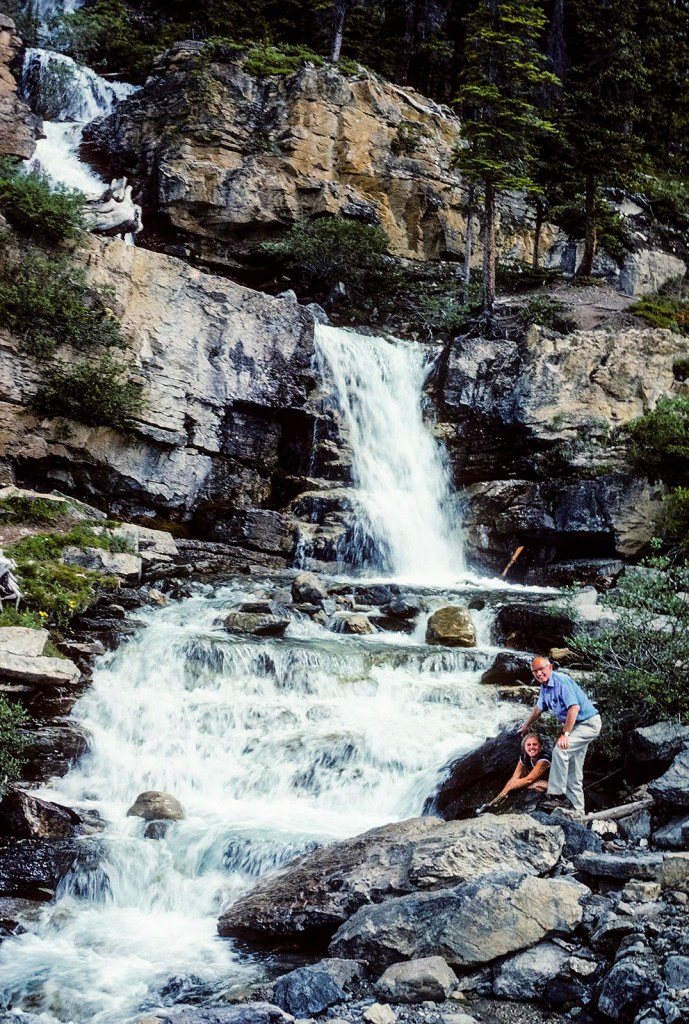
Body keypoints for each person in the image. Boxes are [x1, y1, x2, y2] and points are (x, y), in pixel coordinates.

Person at [518, 656, 602, 817]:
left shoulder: (562, 681)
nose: (539, 673)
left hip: (588, 725)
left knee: (560, 750)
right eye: (535, 671)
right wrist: (527, 725)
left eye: (541, 669)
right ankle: (578, 812)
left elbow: (574, 708)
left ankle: (557, 795)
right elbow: (539, 707)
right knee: (574, 770)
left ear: (550, 667)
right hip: (577, 726)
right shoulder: (544, 686)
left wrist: (565, 734)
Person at [495, 731, 551, 801]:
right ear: (524, 747)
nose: (532, 747)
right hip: (541, 780)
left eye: (535, 744)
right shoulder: (524, 757)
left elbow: (529, 780)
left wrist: (509, 788)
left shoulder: (544, 759)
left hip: (556, 784)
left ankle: (554, 797)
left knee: (533, 785)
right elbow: (514, 778)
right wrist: (501, 795)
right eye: (528, 745)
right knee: (525, 782)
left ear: (540, 747)